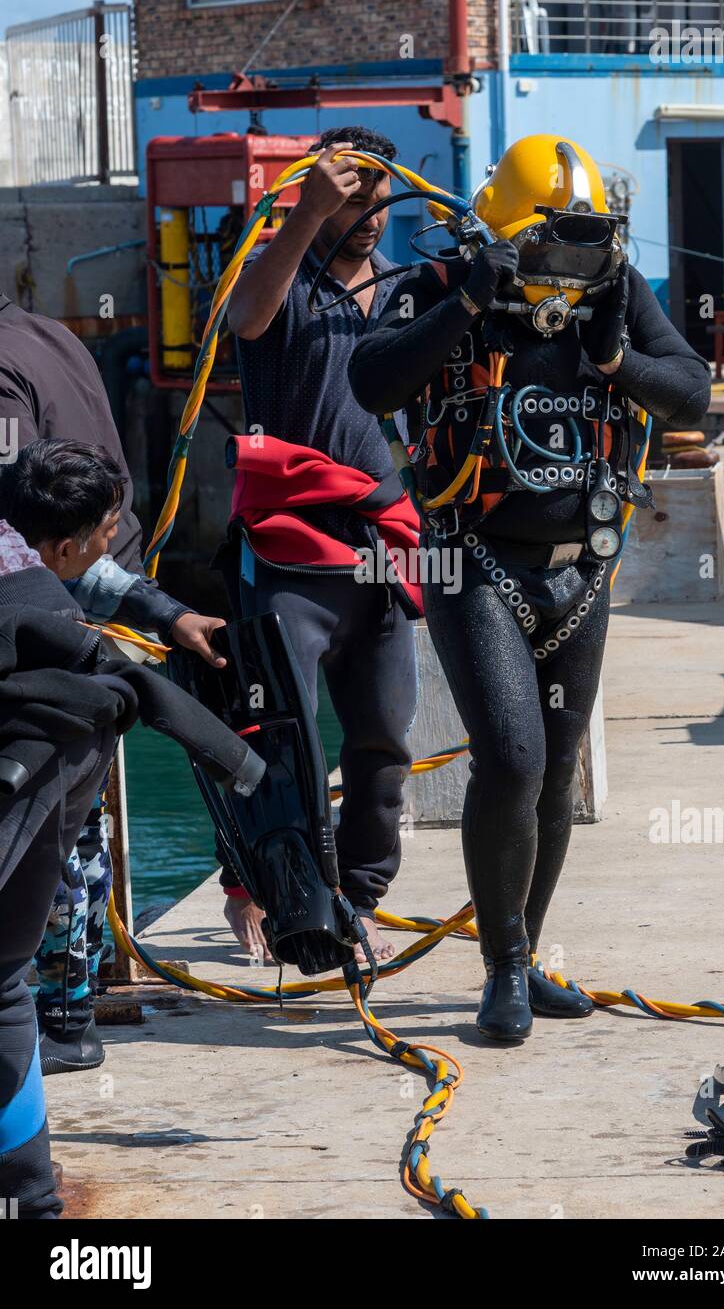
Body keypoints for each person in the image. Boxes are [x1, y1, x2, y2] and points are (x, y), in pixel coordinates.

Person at [349, 134, 712, 1039]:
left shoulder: (613, 292)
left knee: (552, 773)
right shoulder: (443, 286)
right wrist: (471, 300)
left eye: (578, 249)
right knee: (509, 758)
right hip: (473, 562)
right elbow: (370, 379)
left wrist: (615, 361)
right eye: (542, 252)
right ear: (500, 237)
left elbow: (692, 393)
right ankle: (500, 969)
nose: (560, 273)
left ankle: (527, 949)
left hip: (580, 569)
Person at [0, 515, 264, 1219]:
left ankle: (28, 1193)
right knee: (2, 978)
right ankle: (30, 1202)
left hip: (37, 715)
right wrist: (165, 611)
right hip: (74, 708)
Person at [0, 297, 224, 1069]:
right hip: (92, 613)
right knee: (75, 828)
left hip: (47, 625)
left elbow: (31, 520)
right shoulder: (50, 332)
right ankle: (73, 1006)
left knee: (39, 833)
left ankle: (54, 1021)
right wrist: (163, 609)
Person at [224, 126, 420, 963]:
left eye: (379, 200)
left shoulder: (410, 292)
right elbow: (246, 314)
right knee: (274, 733)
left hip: (381, 545)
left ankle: (359, 896)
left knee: (382, 738)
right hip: (285, 547)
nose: (368, 215)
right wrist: (306, 214)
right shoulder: (282, 276)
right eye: (352, 199)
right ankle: (264, 890)